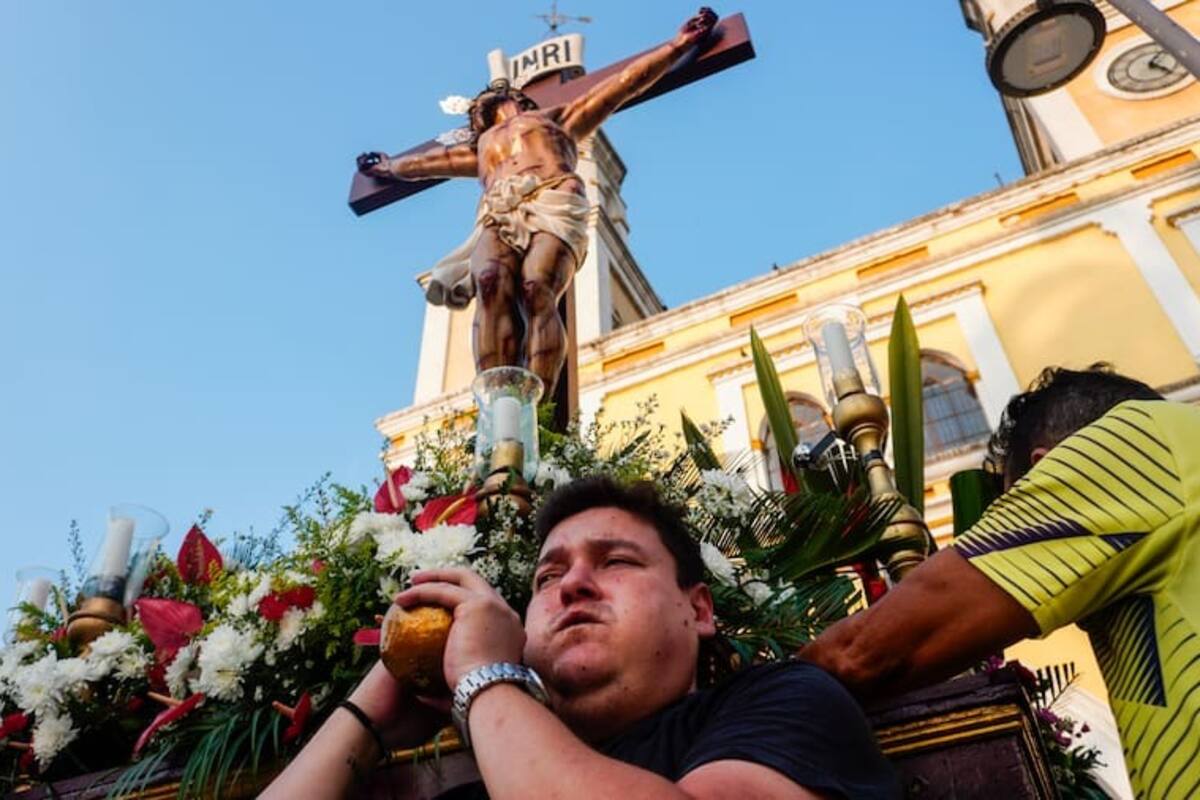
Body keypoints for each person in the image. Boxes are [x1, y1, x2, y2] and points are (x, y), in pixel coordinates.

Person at [265, 476, 898, 799]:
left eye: (616, 561)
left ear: (698, 608)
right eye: (548, 575)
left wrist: (485, 681)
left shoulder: (784, 703)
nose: (572, 587)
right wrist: (370, 711)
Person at [800, 364, 1200, 799]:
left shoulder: (1133, 446)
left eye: (1022, 505)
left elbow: (865, 653)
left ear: (1050, 468)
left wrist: (740, 704)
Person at [356, 8, 719, 395]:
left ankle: (536, 406)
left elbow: (622, 84)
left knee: (536, 285)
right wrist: (392, 166)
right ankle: (498, 404)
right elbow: (433, 162)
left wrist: (676, 45)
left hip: (552, 195)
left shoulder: (556, 119)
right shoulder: (481, 148)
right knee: (490, 280)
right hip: (498, 210)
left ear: (517, 97)